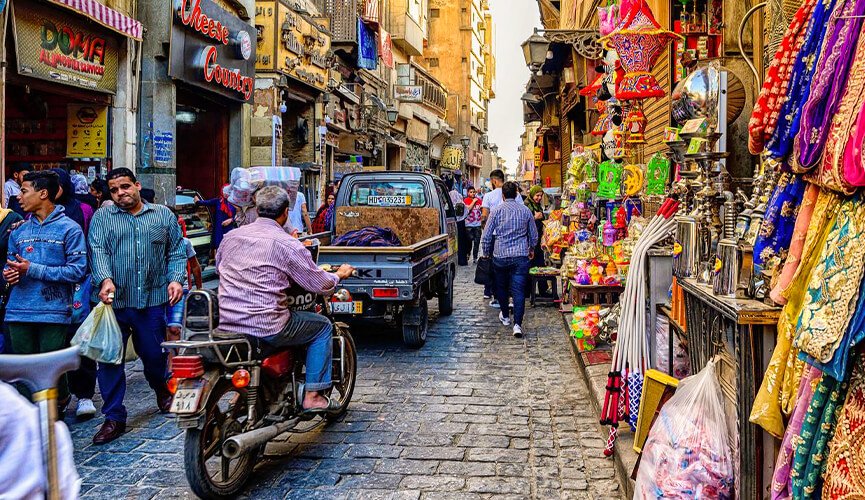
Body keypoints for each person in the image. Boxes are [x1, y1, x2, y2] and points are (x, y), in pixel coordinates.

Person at [216, 186, 354, 413]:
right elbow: (321, 284)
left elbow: (222, 270)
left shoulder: (231, 236)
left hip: (228, 322)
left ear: (258, 209)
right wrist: (339, 274)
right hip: (267, 326)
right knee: (322, 327)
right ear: (286, 213)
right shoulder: (288, 244)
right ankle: (313, 396)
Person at [88, 167, 186, 444]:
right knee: (109, 360)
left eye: (125, 187)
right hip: (113, 303)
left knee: (154, 356)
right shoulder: (102, 218)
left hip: (152, 301)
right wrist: (105, 279)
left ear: (137, 185)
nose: (121, 194)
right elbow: (98, 250)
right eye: (115, 190)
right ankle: (113, 417)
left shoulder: (162, 215)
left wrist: (176, 279)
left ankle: (162, 390)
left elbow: (176, 251)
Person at [3, 171, 87, 407]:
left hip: (53, 310)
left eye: (23, 191)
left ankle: (55, 410)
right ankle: (31, 419)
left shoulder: (70, 229)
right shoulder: (18, 231)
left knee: (51, 368)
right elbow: (11, 265)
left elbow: (77, 271)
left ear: (43, 193)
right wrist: (9, 275)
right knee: (22, 369)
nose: (18, 197)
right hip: (18, 310)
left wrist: (32, 269)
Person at [480, 181, 537, 338]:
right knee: (518, 290)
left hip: (500, 256)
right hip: (520, 256)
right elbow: (533, 234)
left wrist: (486, 252)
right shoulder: (525, 211)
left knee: (501, 288)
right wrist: (531, 248)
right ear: (517, 194)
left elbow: (486, 235)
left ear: (503, 196)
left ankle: (505, 316)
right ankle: (517, 324)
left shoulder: (496, 211)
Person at [481, 169, 523, 306]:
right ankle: (510, 296)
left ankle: (497, 296)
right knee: (512, 269)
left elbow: (484, 216)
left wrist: (485, 233)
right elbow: (523, 213)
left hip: (495, 237)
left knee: (496, 269)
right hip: (515, 237)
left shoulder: (489, 196)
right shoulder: (516, 195)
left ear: (494, 181)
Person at [194, 184, 236, 250]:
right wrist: (197, 200)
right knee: (218, 246)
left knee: (229, 246)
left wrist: (231, 220)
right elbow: (205, 202)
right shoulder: (218, 201)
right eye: (224, 192)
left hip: (230, 228)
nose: (226, 194)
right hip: (219, 229)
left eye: (228, 192)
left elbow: (240, 216)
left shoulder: (235, 202)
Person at [525, 185, 549, 296]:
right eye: (537, 195)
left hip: (538, 240)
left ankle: (543, 290)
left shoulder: (537, 206)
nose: (539, 198)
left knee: (540, 266)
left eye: (541, 196)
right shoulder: (527, 206)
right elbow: (524, 223)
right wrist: (534, 218)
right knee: (530, 266)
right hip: (529, 241)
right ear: (532, 194)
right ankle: (528, 291)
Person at [446, 177, 469, 266]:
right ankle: (462, 260)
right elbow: (466, 212)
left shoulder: (448, 204)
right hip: (461, 225)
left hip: (450, 225)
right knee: (461, 242)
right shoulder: (461, 204)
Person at [464, 186, 483, 263]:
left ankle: (475, 258)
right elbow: (468, 209)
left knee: (477, 242)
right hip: (468, 225)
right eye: (471, 192)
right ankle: (468, 253)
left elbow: (482, 209)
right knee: (469, 241)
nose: (472, 193)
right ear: (468, 193)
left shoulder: (479, 200)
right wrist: (473, 201)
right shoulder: (466, 200)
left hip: (478, 224)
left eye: (473, 192)